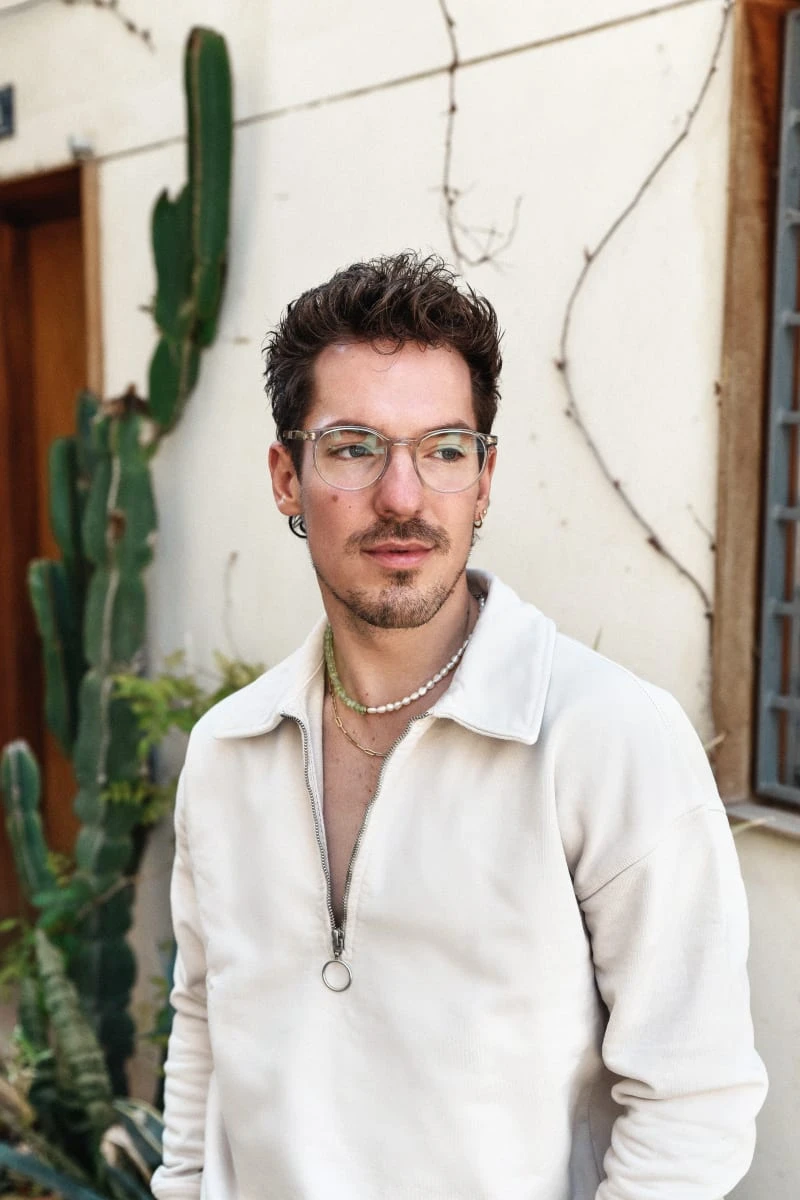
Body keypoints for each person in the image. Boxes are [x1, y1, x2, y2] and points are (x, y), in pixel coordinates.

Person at [151, 252, 767, 1200]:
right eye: (353, 447)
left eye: (444, 450)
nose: (403, 496)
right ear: (286, 476)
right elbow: (203, 1035)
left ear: (484, 480)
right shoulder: (228, 751)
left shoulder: (606, 738)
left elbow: (694, 1103)